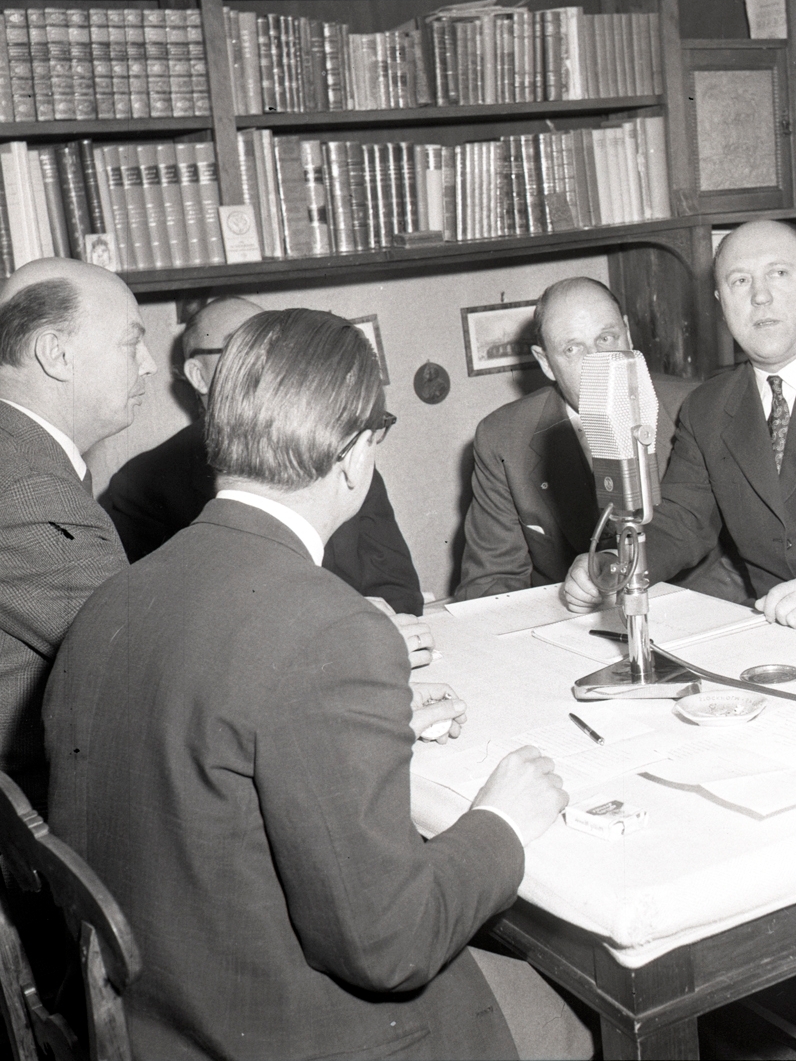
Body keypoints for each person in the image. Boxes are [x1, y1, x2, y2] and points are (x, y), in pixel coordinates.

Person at [44, 309, 591, 1061]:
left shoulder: (116, 596)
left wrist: (349, 725)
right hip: (288, 1034)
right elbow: (390, 945)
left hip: (158, 1016)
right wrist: (502, 819)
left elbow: (215, 739)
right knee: (567, 1019)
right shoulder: (331, 630)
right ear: (355, 455)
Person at [561, 219, 796, 630]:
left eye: (778, 273)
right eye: (740, 281)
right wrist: (614, 563)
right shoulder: (707, 407)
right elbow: (682, 522)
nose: (760, 296)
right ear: (720, 303)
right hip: (772, 628)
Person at [104, 296, 425, 617]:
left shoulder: (340, 446)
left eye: (275, 348)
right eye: (241, 349)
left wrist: (384, 627)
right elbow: (169, 622)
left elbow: (398, 587)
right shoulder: (143, 485)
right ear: (199, 376)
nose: (267, 364)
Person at [0, 257, 155, 808]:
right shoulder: (29, 487)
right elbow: (144, 660)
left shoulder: (23, 456)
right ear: (56, 354)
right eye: (132, 343)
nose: (149, 365)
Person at [456, 276, 710, 600]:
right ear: (546, 362)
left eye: (606, 338)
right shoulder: (502, 438)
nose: (597, 362)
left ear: (628, 335)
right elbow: (491, 584)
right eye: (573, 348)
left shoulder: (697, 406)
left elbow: (734, 558)